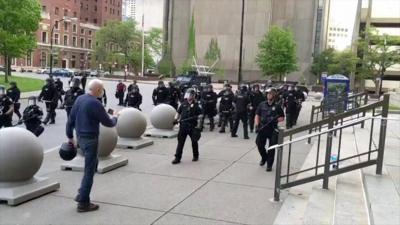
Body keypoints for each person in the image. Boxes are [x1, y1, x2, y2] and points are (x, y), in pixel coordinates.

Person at [66, 79, 119, 212]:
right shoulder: (95, 103)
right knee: (89, 171)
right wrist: (116, 117)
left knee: (93, 164)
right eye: (102, 90)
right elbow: (108, 123)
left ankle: (81, 193)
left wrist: (70, 137)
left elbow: (70, 120)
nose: (102, 92)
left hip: (80, 138)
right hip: (91, 139)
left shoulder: (80, 99)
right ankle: (83, 203)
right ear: (97, 90)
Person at [255, 88, 284, 171]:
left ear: (274, 96)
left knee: (271, 148)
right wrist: (257, 125)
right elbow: (257, 115)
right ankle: (264, 158)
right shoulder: (262, 104)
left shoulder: (277, 106)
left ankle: (269, 165)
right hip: (263, 128)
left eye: (270, 94)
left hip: (272, 129)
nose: (268, 95)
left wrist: (276, 119)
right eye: (268, 94)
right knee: (259, 144)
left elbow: (282, 117)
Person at [172, 88, 202, 164]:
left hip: (192, 126)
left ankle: (196, 155)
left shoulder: (197, 105)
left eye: (190, 95)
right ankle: (177, 158)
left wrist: (198, 127)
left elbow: (201, 116)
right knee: (180, 142)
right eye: (187, 94)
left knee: (194, 141)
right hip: (183, 126)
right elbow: (178, 112)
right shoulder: (183, 104)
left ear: (193, 96)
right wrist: (176, 119)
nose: (188, 96)